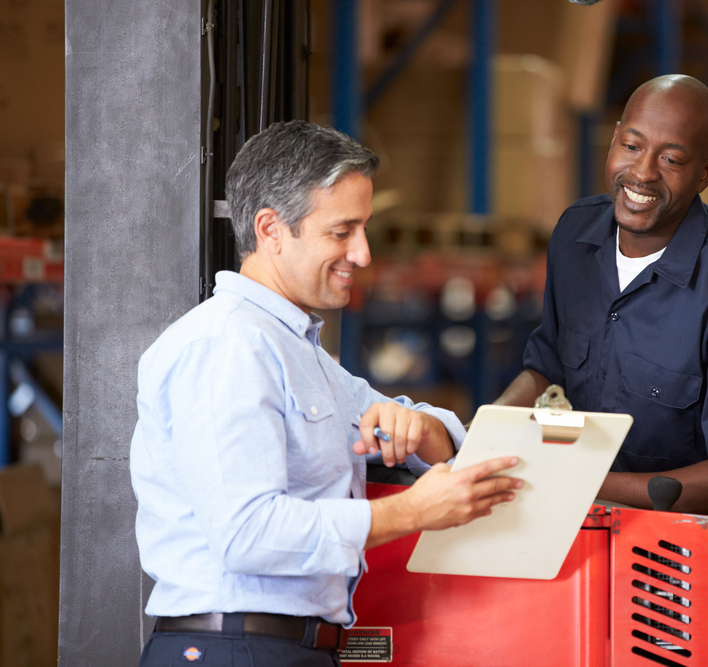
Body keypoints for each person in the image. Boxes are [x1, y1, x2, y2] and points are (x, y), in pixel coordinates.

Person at [129, 121, 522, 667]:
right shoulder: (227, 346)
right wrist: (412, 511)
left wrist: (422, 429)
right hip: (233, 649)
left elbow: (414, 424)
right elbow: (248, 532)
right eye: (342, 232)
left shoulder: (300, 352)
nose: (361, 254)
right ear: (271, 229)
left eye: (363, 229)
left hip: (289, 648)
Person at [496, 75, 708, 525]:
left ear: (704, 174)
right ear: (613, 140)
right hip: (605, 518)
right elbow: (548, 367)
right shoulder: (574, 236)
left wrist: (577, 480)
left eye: (671, 159)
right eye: (631, 146)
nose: (643, 172)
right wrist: (488, 435)